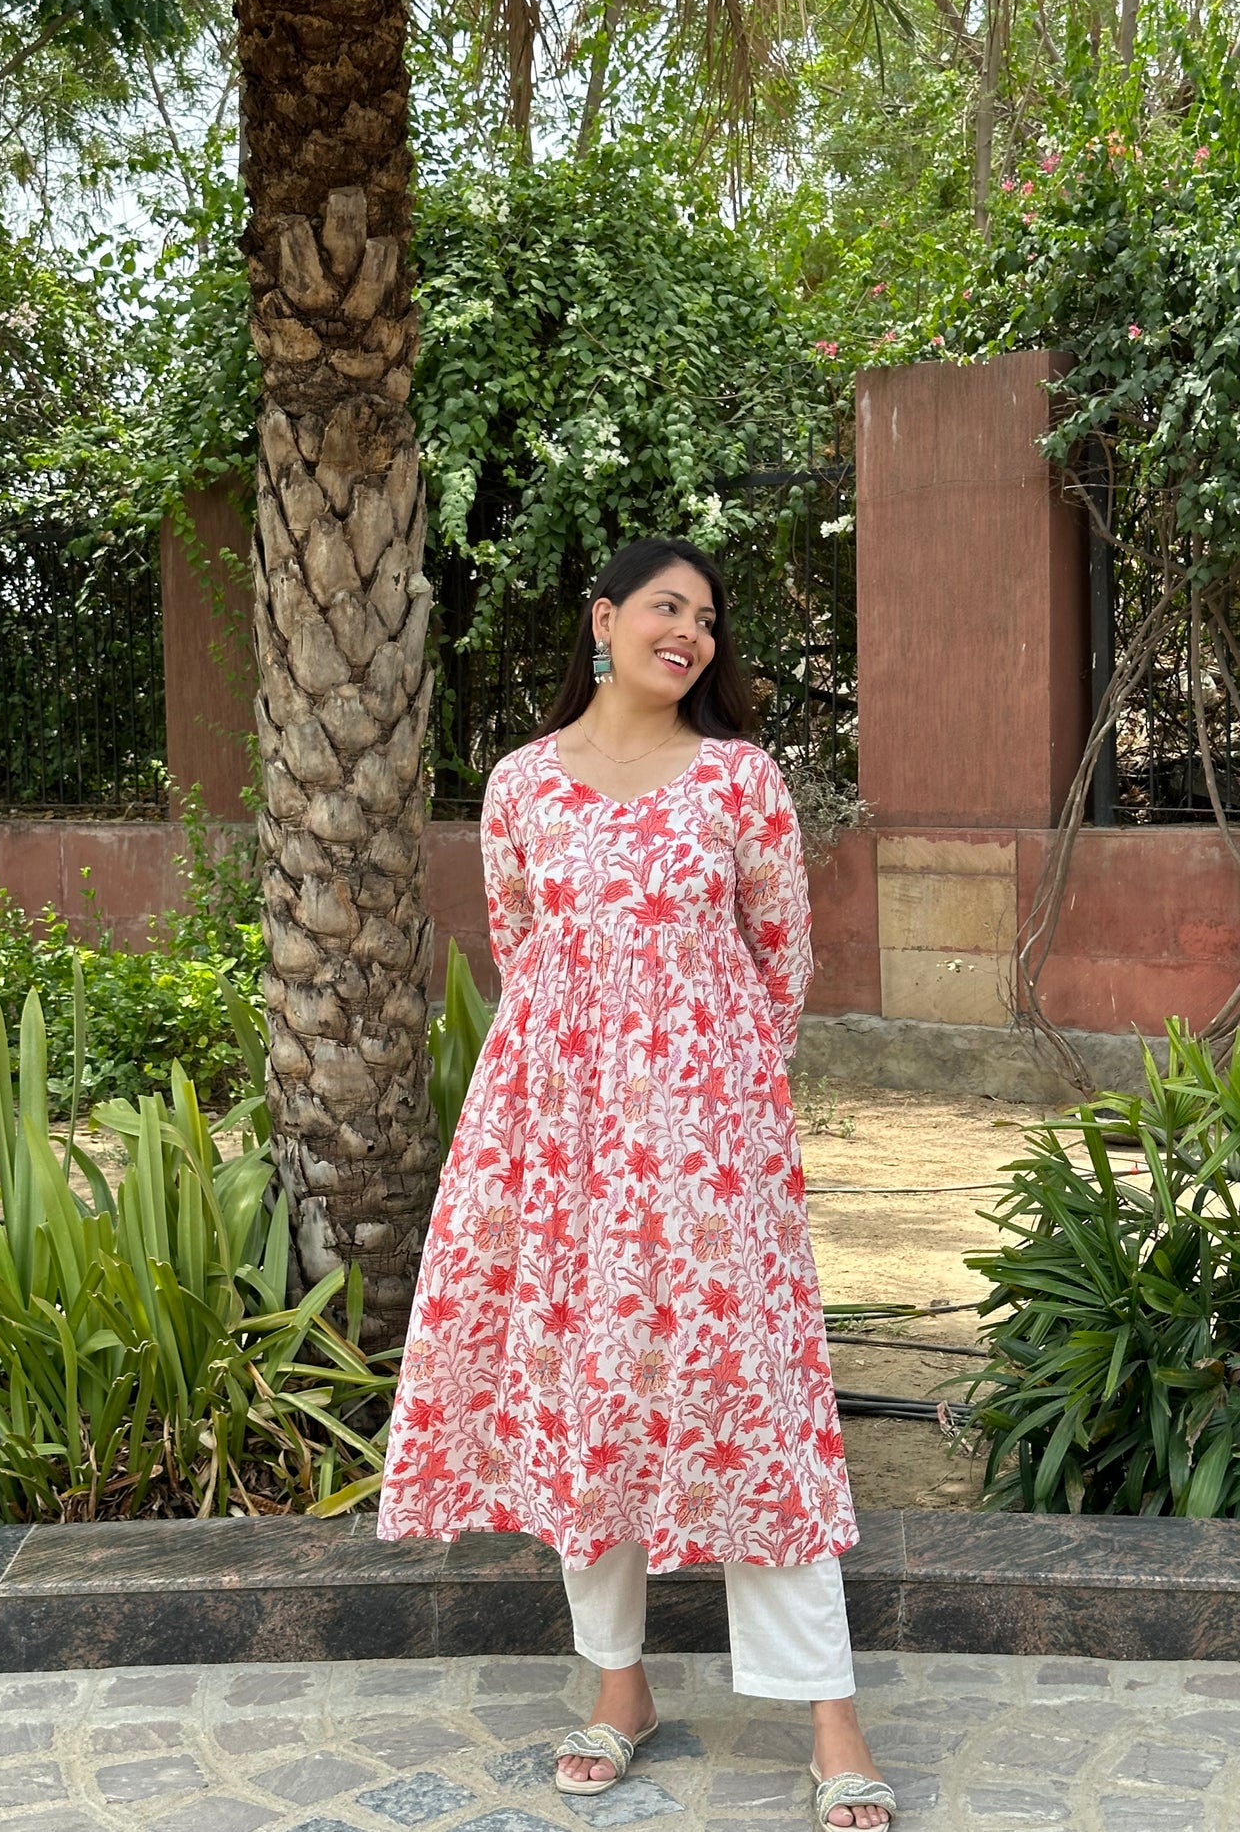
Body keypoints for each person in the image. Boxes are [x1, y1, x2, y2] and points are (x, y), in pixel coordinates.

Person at [377, 537, 895, 1831]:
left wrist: (713, 1102)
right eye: (667, 607)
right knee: (583, 1398)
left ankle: (831, 1714)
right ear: (602, 619)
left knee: (751, 1403)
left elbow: (781, 957)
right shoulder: (517, 788)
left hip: (709, 1149)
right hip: (555, 1148)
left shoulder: (740, 779)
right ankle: (619, 1692)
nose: (691, 634)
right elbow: (524, 958)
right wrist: (584, 1100)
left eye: (707, 619)